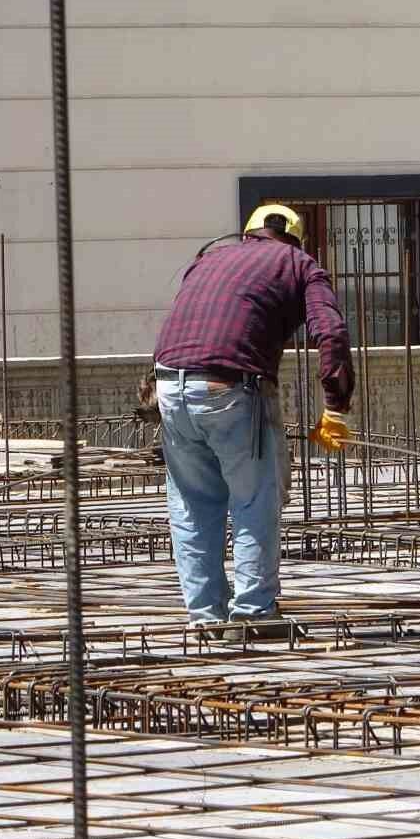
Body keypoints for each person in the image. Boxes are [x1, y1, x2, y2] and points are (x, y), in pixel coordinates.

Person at [153, 205, 354, 640]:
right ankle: (253, 612)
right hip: (232, 388)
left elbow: (184, 322)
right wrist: (335, 404)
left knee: (191, 505)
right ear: (295, 238)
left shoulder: (208, 259)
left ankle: (205, 616)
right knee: (253, 499)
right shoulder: (300, 265)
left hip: (168, 385)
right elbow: (331, 333)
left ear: (247, 233)